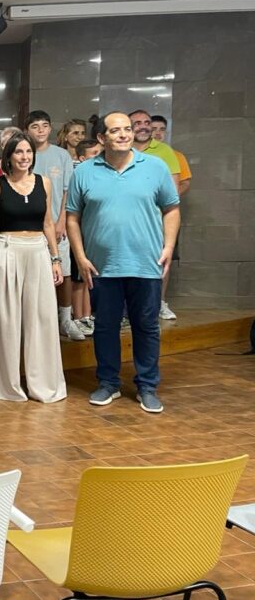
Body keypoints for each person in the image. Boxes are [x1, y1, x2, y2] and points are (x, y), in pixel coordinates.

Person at [67, 112, 180, 414]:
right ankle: (108, 383)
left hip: (146, 263)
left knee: (147, 327)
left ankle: (147, 386)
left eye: (127, 129)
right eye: (115, 130)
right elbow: (72, 217)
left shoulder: (155, 167)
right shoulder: (84, 172)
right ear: (101, 138)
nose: (124, 134)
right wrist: (80, 256)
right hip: (102, 266)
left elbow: (171, 208)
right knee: (105, 327)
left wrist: (169, 246)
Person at [0, 134, 66, 403]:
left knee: (42, 319)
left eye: (28, 152)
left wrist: (55, 259)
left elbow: (48, 223)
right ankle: (4, 386)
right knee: (5, 320)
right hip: (8, 249)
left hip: (39, 251)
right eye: (18, 152)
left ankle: (44, 385)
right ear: (9, 156)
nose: (24, 157)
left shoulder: (44, 182)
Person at [24, 110, 82, 342]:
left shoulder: (61, 155)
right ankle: (36, 322)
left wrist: (61, 222)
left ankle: (66, 319)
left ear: (50, 128)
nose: (40, 130)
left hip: (57, 225)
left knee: (64, 272)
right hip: (30, 227)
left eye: (44, 125)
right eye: (35, 126)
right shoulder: (24, 153)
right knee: (33, 276)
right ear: (27, 130)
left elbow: (68, 191)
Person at [150, 113, 189, 321]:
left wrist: (165, 199)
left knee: (165, 259)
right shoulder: (131, 152)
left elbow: (184, 182)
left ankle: (161, 302)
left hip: (164, 216)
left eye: (161, 129)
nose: (157, 133)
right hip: (142, 218)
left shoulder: (173, 155)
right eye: (153, 128)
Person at [70, 139, 102, 335]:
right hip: (78, 234)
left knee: (88, 278)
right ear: (82, 158)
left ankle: (87, 316)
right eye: (94, 154)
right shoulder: (78, 176)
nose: (99, 157)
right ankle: (77, 317)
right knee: (78, 278)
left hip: (92, 234)